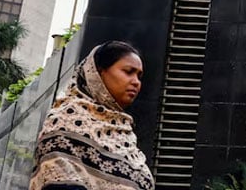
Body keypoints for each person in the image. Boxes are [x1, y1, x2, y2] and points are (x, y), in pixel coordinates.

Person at [30, 41, 154, 190]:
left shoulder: (125, 136)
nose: (136, 82)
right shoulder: (65, 120)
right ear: (99, 72)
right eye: (128, 72)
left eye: (139, 76)